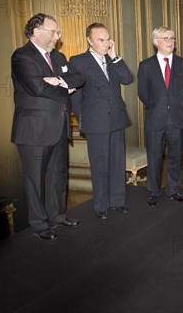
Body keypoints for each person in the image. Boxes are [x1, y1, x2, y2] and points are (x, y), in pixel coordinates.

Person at [11, 13, 85, 241]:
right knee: (35, 180)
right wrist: (64, 87)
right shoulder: (22, 56)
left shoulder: (59, 57)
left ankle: (57, 216)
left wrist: (60, 81)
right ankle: (39, 223)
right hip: (33, 130)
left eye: (57, 32)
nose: (57, 36)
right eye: (53, 32)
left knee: (57, 175)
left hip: (59, 126)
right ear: (36, 31)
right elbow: (37, 88)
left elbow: (79, 77)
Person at [70, 23, 133, 219]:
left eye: (107, 39)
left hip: (116, 119)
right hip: (95, 122)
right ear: (89, 40)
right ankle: (101, 206)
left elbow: (128, 79)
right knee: (100, 164)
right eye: (101, 40)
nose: (105, 43)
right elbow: (75, 96)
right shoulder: (78, 61)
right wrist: (85, 119)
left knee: (117, 162)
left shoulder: (112, 59)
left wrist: (114, 56)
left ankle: (117, 201)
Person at [138, 27, 183, 207]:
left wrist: (174, 103)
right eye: (166, 38)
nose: (171, 41)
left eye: (173, 38)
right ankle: (153, 192)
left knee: (175, 156)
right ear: (156, 42)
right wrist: (159, 105)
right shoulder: (145, 65)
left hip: (176, 118)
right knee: (154, 156)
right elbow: (143, 93)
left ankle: (173, 189)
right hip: (155, 118)